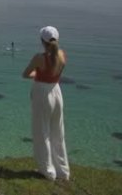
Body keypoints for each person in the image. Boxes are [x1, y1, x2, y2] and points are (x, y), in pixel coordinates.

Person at [22, 26, 70, 181]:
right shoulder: (62, 55)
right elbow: (55, 71)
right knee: (58, 132)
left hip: (42, 93)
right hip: (57, 92)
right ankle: (63, 171)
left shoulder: (39, 58)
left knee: (42, 132)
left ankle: (48, 171)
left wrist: (38, 73)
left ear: (42, 41)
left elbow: (26, 74)